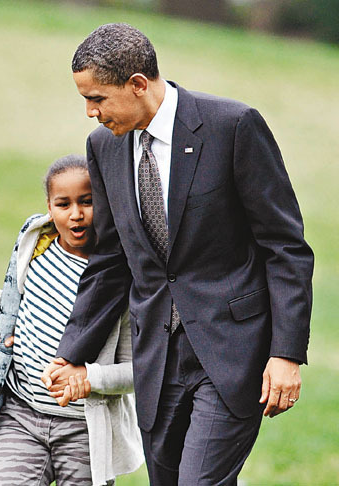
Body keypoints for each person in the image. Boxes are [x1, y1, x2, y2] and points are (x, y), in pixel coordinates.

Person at [42, 23, 314, 486]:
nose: (90, 111)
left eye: (98, 98)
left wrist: (286, 353)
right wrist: (72, 352)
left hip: (232, 352)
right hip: (158, 360)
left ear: (138, 84)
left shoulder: (233, 126)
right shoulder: (102, 148)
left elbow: (284, 246)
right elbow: (111, 261)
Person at [0, 154, 143, 486]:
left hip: (84, 431)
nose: (76, 214)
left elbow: (141, 371)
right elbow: (10, 300)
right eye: (63, 204)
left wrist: (91, 377)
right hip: (21, 416)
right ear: (48, 206)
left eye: (88, 202)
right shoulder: (35, 248)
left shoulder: (123, 279)